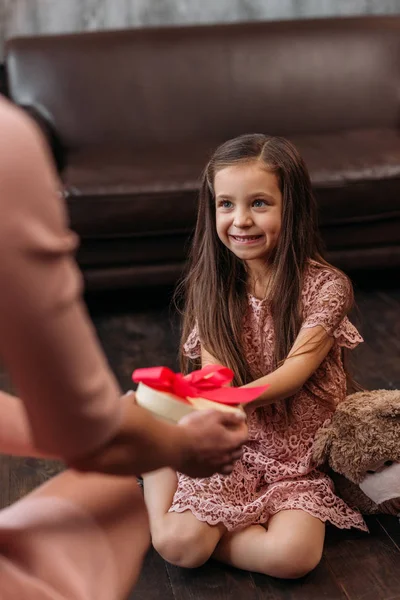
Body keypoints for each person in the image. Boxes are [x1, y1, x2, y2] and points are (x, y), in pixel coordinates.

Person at [0, 97, 248, 599]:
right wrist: (179, 447)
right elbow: (94, 441)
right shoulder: (8, 144)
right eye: (226, 204)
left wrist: (98, 431)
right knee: (112, 491)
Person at [143, 133, 368, 580]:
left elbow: (294, 373)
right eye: (226, 204)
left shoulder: (326, 287)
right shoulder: (214, 287)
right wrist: (209, 402)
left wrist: (233, 399)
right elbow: (215, 376)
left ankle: (194, 524)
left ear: (293, 207)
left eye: (259, 204)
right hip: (235, 443)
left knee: (293, 558)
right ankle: (157, 465)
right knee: (177, 545)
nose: (240, 220)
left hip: (299, 457)